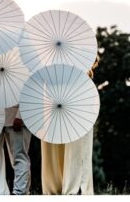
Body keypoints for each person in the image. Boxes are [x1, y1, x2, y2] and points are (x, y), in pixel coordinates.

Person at [41, 59, 98, 195]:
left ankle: (76, 188)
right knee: (54, 146)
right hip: (54, 99)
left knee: (77, 148)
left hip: (78, 102)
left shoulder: (80, 67)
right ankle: (57, 187)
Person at [3, 106, 32, 195]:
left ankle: (19, 192)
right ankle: (24, 191)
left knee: (20, 158)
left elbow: (27, 95)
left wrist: (20, 116)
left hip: (18, 121)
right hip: (8, 120)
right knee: (16, 160)